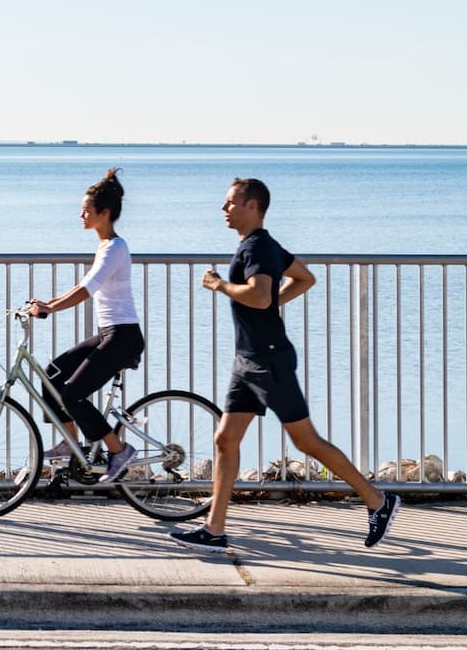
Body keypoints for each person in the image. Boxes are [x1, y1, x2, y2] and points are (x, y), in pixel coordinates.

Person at [170, 178, 400, 552]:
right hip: (248, 360)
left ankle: (377, 500)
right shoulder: (263, 245)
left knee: (305, 440)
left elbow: (260, 298)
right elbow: (304, 278)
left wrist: (220, 286)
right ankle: (214, 530)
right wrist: (274, 301)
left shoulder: (258, 246)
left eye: (230, 203)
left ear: (253, 206)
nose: (223, 209)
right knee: (225, 440)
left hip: (268, 360)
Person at [22, 168, 143, 484]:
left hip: (123, 337)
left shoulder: (116, 247)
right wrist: (46, 302)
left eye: (86, 211)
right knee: (53, 375)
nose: (81, 215)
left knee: (73, 394)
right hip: (109, 334)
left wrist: (50, 307)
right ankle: (71, 442)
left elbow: (86, 290)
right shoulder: (105, 246)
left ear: (103, 214)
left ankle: (119, 450)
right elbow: (83, 284)